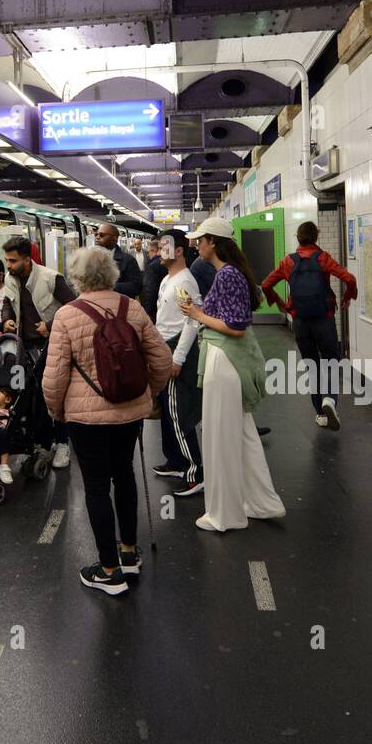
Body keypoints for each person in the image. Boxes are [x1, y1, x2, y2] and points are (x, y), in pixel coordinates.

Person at [42, 246, 172, 596]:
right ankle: (129, 553)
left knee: (96, 487)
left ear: (77, 278)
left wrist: (57, 413)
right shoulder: (132, 308)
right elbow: (162, 360)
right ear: (113, 274)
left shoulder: (67, 316)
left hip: (85, 419)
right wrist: (149, 395)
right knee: (125, 476)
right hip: (129, 412)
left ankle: (110, 571)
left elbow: (54, 377)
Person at [180, 217, 285, 533]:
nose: (196, 245)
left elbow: (236, 328)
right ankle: (260, 502)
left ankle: (225, 514)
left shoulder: (227, 276)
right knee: (242, 435)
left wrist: (197, 314)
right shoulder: (232, 274)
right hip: (227, 361)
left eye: (200, 240)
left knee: (220, 437)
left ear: (213, 242)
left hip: (225, 360)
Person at [261, 221, 359, 431]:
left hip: (300, 322)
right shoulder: (323, 258)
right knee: (331, 360)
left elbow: (266, 284)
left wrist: (281, 304)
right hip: (324, 319)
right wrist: (348, 297)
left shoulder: (288, 261)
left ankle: (320, 414)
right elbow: (349, 279)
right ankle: (330, 399)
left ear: (297, 238)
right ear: (316, 236)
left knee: (312, 365)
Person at [2, 236, 75, 468]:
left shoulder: (51, 278)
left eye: (12, 261)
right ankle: (43, 443)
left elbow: (72, 305)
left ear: (26, 259)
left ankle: (63, 444)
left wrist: (50, 324)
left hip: (51, 346)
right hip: (24, 348)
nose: (8, 265)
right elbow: (7, 303)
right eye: (6, 260)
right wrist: (7, 319)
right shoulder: (10, 278)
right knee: (33, 397)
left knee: (55, 394)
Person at [153, 229, 204, 496]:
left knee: (177, 411)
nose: (159, 251)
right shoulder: (167, 279)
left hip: (176, 350)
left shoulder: (185, 282)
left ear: (179, 250)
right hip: (164, 347)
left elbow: (192, 320)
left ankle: (196, 471)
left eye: (163, 246)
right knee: (166, 408)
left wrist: (178, 357)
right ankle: (175, 461)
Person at [96, 222, 142, 299]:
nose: (97, 237)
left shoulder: (128, 260)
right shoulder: (92, 259)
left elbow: (136, 286)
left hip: (119, 305)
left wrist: (108, 287)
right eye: (96, 235)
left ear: (114, 238)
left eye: (102, 235)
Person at [141, 236, 167, 322]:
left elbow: (149, 289)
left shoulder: (152, 266)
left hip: (153, 306)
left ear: (154, 251)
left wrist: (147, 311)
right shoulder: (165, 264)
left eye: (149, 252)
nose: (148, 255)